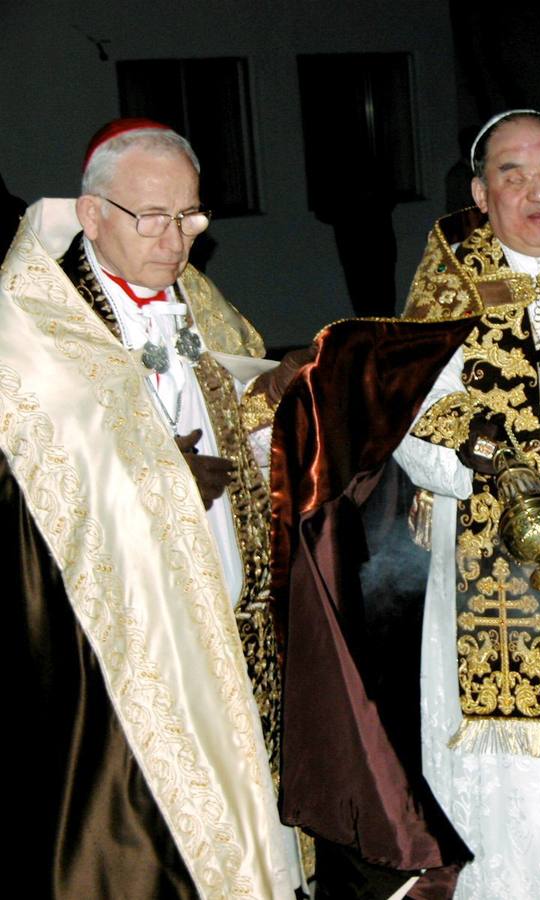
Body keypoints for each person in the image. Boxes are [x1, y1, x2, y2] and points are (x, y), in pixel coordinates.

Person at [272, 110, 540, 899]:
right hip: (498, 560)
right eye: (513, 173)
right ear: (480, 193)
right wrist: (482, 460)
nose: (538, 190)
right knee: (519, 771)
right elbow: (405, 424)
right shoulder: (449, 290)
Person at [3, 118, 306, 898]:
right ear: (94, 214)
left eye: (192, 216)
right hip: (124, 625)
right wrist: (155, 481)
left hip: (224, 591)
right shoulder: (37, 322)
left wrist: (270, 401)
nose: (178, 242)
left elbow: (223, 389)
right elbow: (41, 459)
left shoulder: (192, 297)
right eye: (155, 218)